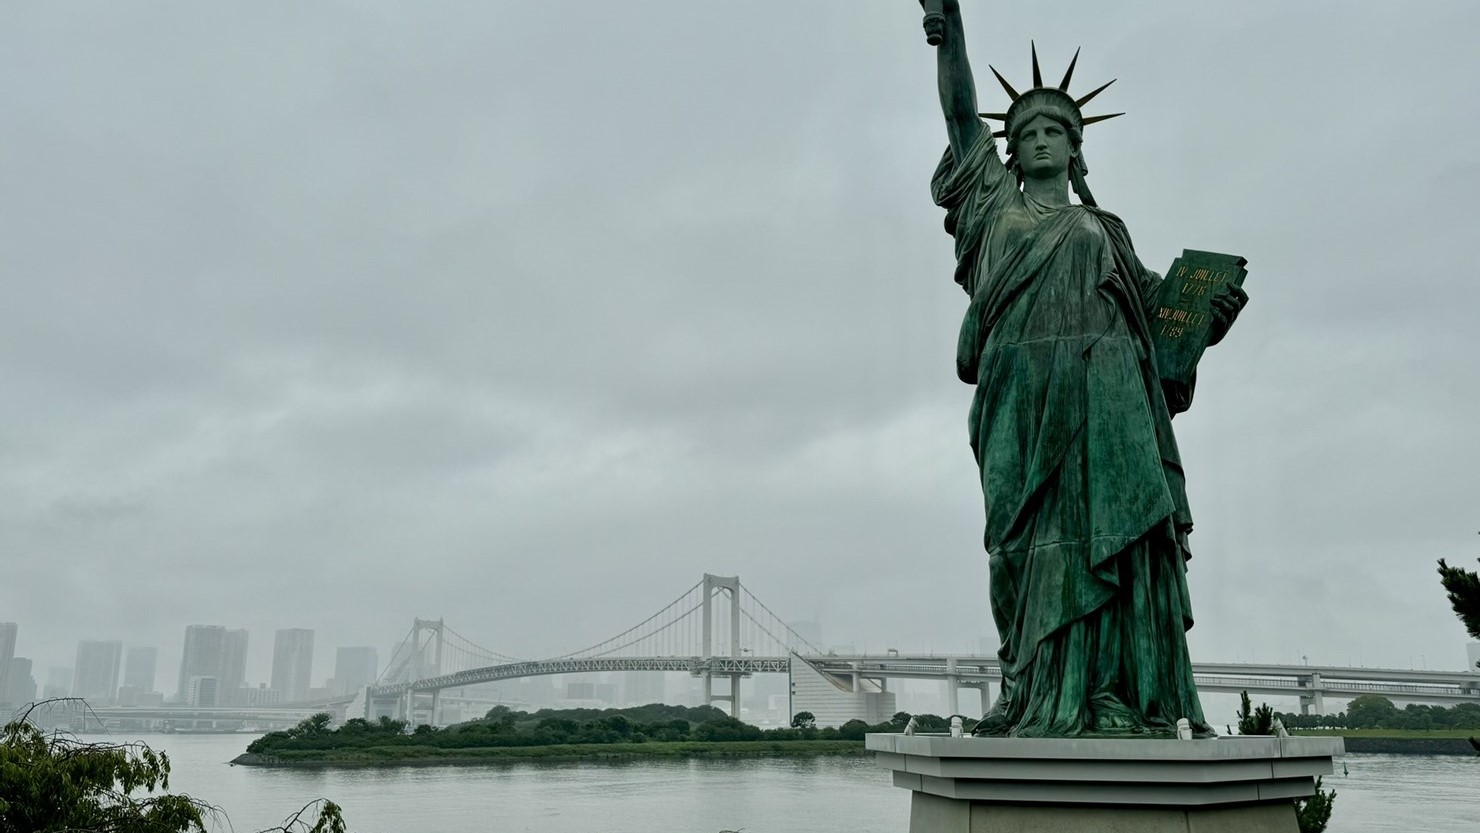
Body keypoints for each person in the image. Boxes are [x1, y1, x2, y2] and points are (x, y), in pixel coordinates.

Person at [921, 0, 1246, 737]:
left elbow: (1162, 329)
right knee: (1016, 545)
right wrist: (953, 31)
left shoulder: (1106, 230)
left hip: (1105, 405)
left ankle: (1103, 689)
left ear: (1075, 149)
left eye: (1054, 131)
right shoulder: (991, 209)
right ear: (1011, 151)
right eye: (1027, 131)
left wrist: (1208, 321)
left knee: (1108, 538)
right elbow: (960, 116)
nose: (1039, 140)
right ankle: (1027, 682)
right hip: (1018, 399)